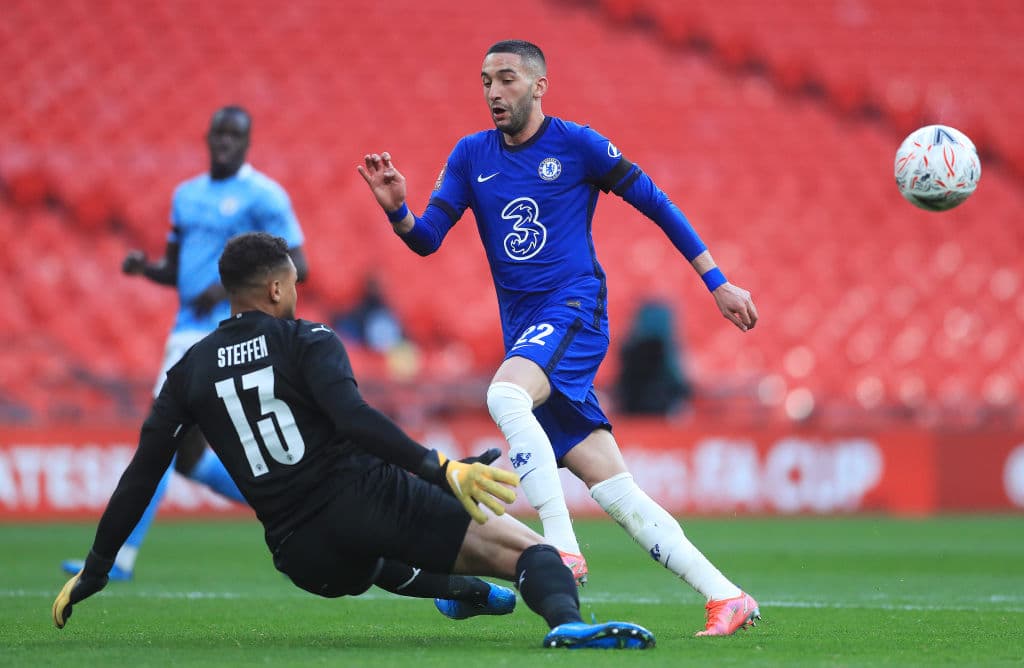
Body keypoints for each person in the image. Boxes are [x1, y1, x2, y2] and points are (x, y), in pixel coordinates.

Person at [52, 232, 656, 651]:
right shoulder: (306, 339)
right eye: (292, 284)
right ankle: (566, 625)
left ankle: (464, 593)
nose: (296, 294)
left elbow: (143, 470)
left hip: (301, 555)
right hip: (364, 500)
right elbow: (355, 421)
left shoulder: (189, 369)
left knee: (377, 556)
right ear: (274, 291)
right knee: (530, 552)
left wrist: (98, 569)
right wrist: (442, 470)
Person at [358, 39, 760, 636]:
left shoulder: (578, 144)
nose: (495, 92)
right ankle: (726, 596)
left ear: (540, 86)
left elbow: (657, 203)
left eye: (508, 79)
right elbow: (428, 239)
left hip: (574, 306)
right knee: (616, 488)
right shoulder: (471, 156)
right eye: (486, 81)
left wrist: (717, 282)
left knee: (504, 395)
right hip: (529, 331)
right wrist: (399, 212)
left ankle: (561, 545)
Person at [62, 106, 308, 581]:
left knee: (161, 436)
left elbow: (299, 263)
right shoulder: (186, 196)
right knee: (190, 459)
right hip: (187, 331)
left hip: (229, 330)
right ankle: (294, 500)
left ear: (247, 143)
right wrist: (145, 269)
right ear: (207, 136)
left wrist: (235, 285)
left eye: (235, 135)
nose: (225, 141)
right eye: (219, 133)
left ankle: (120, 557)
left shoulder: (264, 195)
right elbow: (178, 269)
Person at [614, 300, 693, 416]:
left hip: (633, 413)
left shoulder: (628, 348)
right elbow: (680, 385)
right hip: (660, 411)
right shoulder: (666, 350)